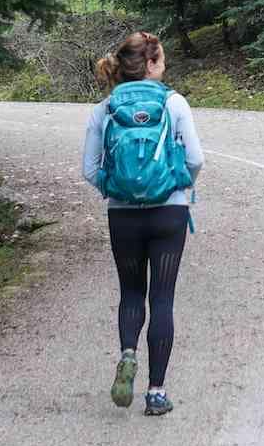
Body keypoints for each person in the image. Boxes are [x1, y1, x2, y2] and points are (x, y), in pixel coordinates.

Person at [82, 31, 204, 416]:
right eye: (161, 58)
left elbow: (89, 169)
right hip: (169, 211)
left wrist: (114, 188)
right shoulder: (174, 102)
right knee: (162, 299)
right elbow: (196, 159)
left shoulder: (105, 109)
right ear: (150, 64)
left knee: (131, 293)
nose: (164, 64)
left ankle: (128, 354)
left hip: (123, 215)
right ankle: (155, 392)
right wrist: (179, 184)